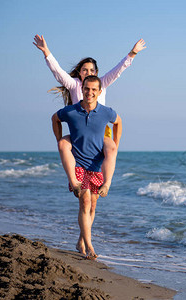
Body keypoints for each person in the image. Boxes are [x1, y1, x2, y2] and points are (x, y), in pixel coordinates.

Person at [34, 34, 145, 197]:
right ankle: (74, 181)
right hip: (79, 134)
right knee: (63, 145)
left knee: (112, 149)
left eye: (91, 70)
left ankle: (106, 185)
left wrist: (132, 53)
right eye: (84, 70)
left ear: (97, 73)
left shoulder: (102, 83)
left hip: (100, 134)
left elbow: (118, 70)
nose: (88, 72)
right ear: (79, 72)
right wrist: (46, 51)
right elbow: (57, 71)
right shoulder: (74, 84)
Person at [52, 75, 122, 259]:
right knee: (85, 201)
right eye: (86, 89)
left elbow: (118, 122)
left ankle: (81, 240)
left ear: (100, 92)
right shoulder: (71, 111)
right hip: (78, 164)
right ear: (81, 90)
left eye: (93, 90)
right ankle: (90, 246)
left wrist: (115, 142)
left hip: (96, 164)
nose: (89, 92)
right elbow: (55, 119)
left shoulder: (106, 112)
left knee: (92, 207)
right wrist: (60, 139)